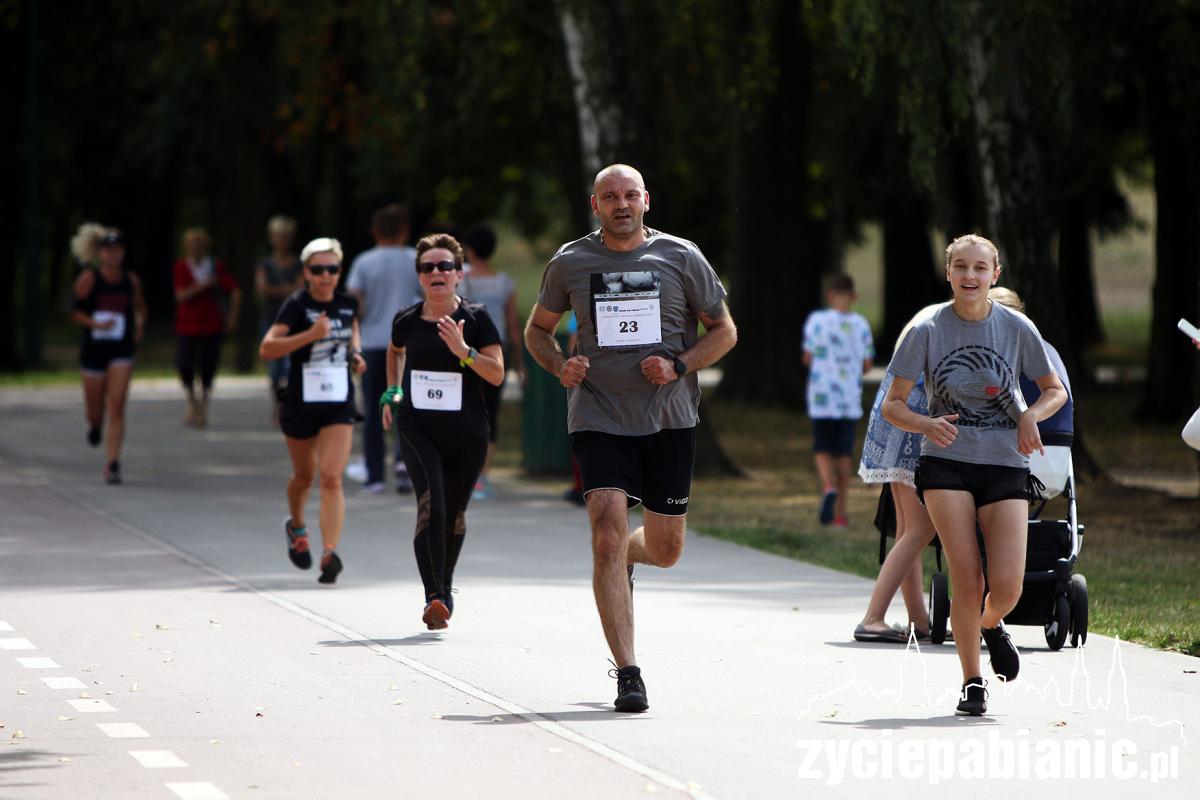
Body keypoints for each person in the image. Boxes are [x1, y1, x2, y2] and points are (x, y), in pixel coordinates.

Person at [524, 163, 738, 713]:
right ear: (594, 205)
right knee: (606, 534)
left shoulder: (681, 256)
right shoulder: (571, 261)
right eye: (609, 196)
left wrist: (681, 364)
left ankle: (629, 559)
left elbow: (725, 330)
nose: (621, 204)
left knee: (665, 550)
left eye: (629, 195)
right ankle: (629, 672)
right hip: (598, 416)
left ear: (647, 200)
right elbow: (537, 331)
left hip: (669, 419)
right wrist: (559, 367)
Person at [883, 234, 1067, 717]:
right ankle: (971, 681)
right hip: (945, 462)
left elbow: (1055, 391)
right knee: (967, 579)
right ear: (948, 274)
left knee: (1006, 587)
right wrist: (927, 423)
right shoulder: (925, 329)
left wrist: (1031, 417)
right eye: (960, 267)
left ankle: (990, 623)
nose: (970, 276)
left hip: (1005, 461)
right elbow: (893, 404)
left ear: (995, 275)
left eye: (980, 268)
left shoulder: (1016, 327)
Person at [381, 233, 505, 630]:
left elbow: (497, 373)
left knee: (454, 514)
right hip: (418, 427)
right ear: (419, 277)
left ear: (458, 274)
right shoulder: (406, 320)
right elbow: (395, 349)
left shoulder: (477, 318)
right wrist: (393, 389)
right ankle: (433, 595)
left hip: (468, 433)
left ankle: (445, 587)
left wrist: (464, 352)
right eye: (428, 268)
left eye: (444, 266)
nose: (437, 272)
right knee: (430, 506)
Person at [260, 237, 367, 585]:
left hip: (338, 402)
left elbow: (353, 340)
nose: (325, 276)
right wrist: (310, 335)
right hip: (300, 403)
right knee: (304, 477)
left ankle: (329, 553)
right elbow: (268, 349)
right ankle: (296, 526)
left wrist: (356, 357)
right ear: (306, 272)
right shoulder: (296, 304)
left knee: (332, 476)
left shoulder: (347, 304)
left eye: (331, 269)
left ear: (339, 272)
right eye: (318, 269)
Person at [854, 302, 946, 643]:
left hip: (893, 424)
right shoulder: (947, 324)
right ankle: (873, 617)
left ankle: (918, 620)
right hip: (911, 427)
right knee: (920, 529)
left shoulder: (931, 316)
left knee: (909, 529)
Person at [345, 204, 421, 494]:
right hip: (408, 343)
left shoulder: (364, 262)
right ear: (404, 230)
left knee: (376, 408)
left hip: (373, 341)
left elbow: (356, 304)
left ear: (374, 231)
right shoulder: (415, 259)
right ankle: (405, 468)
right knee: (407, 407)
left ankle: (374, 474)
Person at [69, 224, 148, 485]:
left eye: (118, 250)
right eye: (108, 250)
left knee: (117, 404)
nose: (114, 255)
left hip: (121, 349)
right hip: (94, 349)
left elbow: (139, 307)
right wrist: (94, 324)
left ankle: (112, 463)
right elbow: (74, 312)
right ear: (100, 253)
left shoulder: (130, 281)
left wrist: (138, 325)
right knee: (96, 410)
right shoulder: (89, 279)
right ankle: (93, 425)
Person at [802, 274, 874, 526]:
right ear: (854, 296)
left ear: (829, 295)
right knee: (844, 454)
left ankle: (827, 486)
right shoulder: (861, 325)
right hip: (848, 399)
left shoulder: (817, 321)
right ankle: (841, 514)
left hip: (821, 397)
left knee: (822, 448)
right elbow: (867, 364)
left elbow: (808, 357)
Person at [461, 224, 524, 499]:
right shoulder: (505, 281)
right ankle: (481, 478)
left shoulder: (459, 278)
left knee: (462, 409)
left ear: (470, 250)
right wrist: (520, 364)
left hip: (464, 351)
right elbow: (512, 326)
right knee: (490, 415)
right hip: (496, 352)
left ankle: (463, 471)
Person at [173, 228, 241, 428]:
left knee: (207, 367)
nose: (194, 248)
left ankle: (203, 407)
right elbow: (180, 295)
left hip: (211, 324)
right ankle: (192, 402)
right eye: (190, 244)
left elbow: (235, 290)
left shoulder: (215, 266)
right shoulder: (180, 267)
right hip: (187, 324)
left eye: (198, 244)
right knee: (184, 365)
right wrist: (204, 285)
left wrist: (232, 316)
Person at [255, 215, 303, 422]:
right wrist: (288, 290)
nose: (282, 240)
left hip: (294, 322)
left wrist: (278, 290)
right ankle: (277, 404)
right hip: (271, 321)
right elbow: (262, 289)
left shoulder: (299, 263)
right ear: (271, 237)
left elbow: (300, 290)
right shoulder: (265, 264)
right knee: (275, 369)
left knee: (291, 366)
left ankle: (288, 404)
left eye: (286, 236)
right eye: (278, 236)